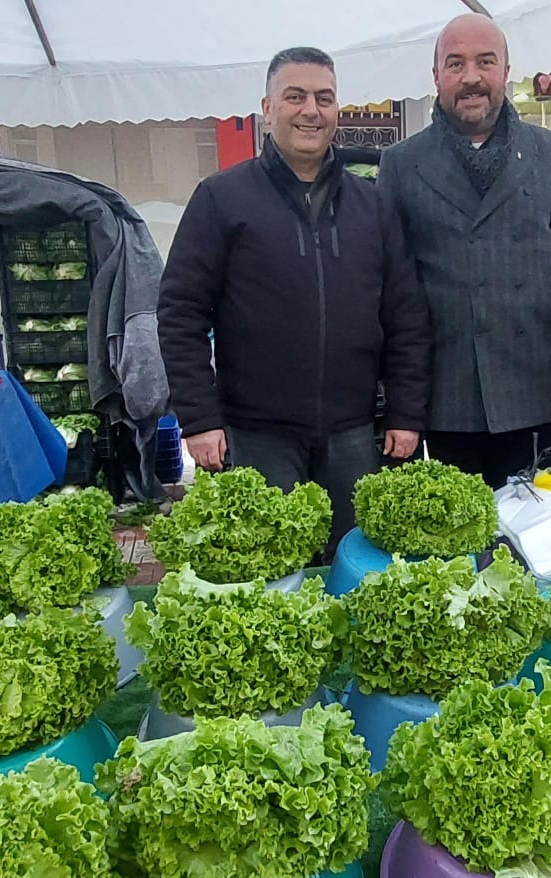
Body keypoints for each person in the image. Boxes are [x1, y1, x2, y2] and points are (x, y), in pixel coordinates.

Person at [157, 47, 431, 556]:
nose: (311, 109)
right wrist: (198, 418)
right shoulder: (222, 198)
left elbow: (406, 317)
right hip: (258, 435)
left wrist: (405, 413)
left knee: (353, 563)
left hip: (353, 433)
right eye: (295, 96)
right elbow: (180, 313)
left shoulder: (373, 205)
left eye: (324, 98)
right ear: (268, 107)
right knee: (271, 570)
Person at [379, 13, 551, 490]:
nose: (471, 77)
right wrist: (395, 392)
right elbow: (388, 285)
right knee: (460, 538)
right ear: (436, 77)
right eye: (455, 64)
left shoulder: (547, 149)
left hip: (534, 384)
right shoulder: (401, 163)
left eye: (484, 62)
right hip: (447, 392)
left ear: (506, 70)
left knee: (532, 532)